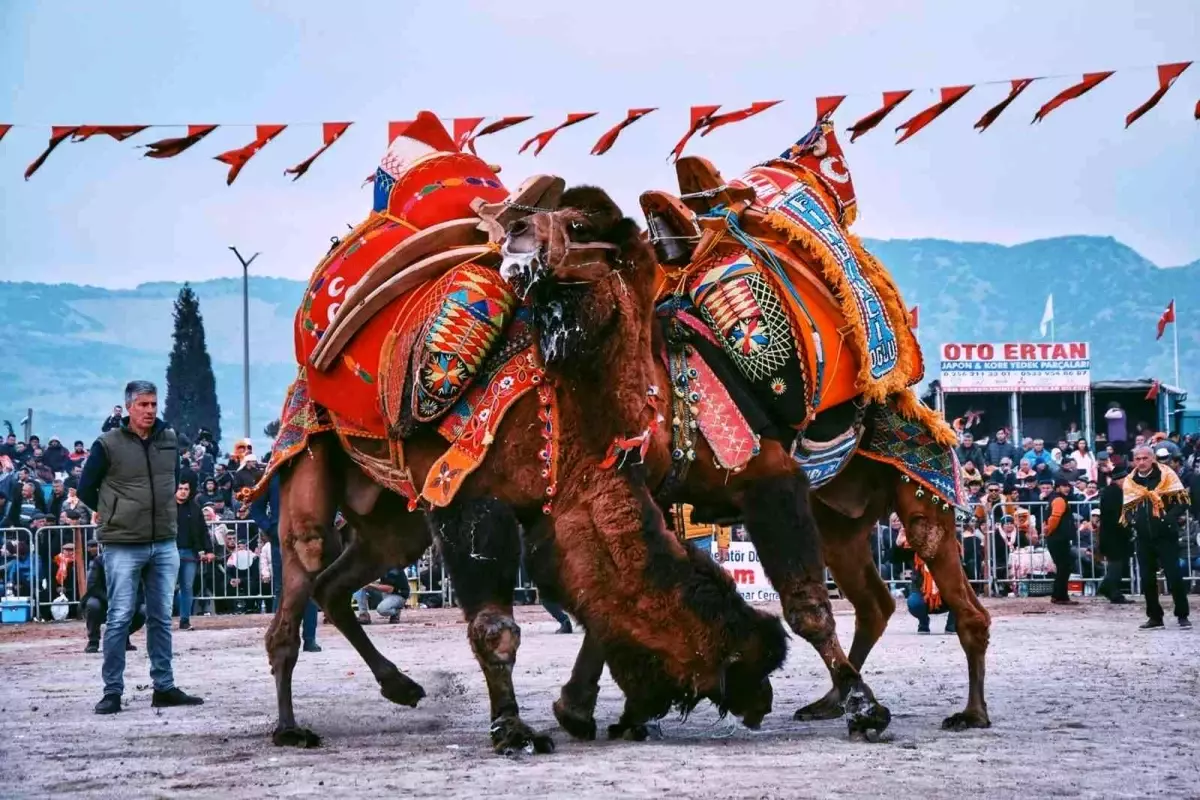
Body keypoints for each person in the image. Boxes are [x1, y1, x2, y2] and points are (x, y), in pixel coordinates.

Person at [78, 380, 204, 714]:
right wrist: (114, 512)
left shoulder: (169, 440)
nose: (150, 410)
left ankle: (163, 686)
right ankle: (112, 691)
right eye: (143, 404)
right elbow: (86, 488)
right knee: (119, 617)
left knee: (162, 618)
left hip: (164, 541)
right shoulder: (107, 444)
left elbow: (174, 479)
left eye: (153, 404)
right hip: (122, 543)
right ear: (129, 407)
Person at [250, 472, 320, 652]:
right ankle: (282, 636)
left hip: (307, 538)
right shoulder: (271, 477)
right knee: (282, 589)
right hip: (280, 540)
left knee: (309, 588)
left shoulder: (308, 474)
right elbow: (256, 509)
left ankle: (309, 637)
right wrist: (271, 529)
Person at [1124, 446, 1191, 630]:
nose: (1141, 462)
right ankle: (1154, 616)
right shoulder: (1131, 481)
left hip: (1165, 535)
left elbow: (1182, 501)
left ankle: (1182, 614)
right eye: (1137, 459)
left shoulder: (1166, 475)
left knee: (1174, 576)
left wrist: (1167, 519)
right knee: (1147, 578)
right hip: (1143, 536)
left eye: (1145, 458)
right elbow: (1127, 506)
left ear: (1152, 458)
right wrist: (1133, 522)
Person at [891, 528, 956, 634]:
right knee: (914, 602)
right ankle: (923, 622)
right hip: (922, 594)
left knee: (959, 596)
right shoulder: (915, 551)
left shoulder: (950, 549)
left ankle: (951, 625)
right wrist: (898, 544)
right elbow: (893, 559)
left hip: (946, 595)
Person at [83, 549, 144, 654]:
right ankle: (93, 641)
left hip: (127, 601)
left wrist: (132, 602)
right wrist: (112, 600)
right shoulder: (99, 561)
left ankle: (123, 638)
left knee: (143, 610)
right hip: (103, 600)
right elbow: (93, 587)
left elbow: (140, 588)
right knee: (93, 605)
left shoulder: (134, 562)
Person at [174, 482, 210, 630]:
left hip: (190, 552)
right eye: (180, 489)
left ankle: (185, 620)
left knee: (187, 587)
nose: (183, 492)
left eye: (186, 489)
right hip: (169, 552)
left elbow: (203, 530)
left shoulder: (195, 508)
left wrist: (208, 550)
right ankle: (160, 620)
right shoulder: (166, 507)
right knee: (165, 588)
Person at [1096, 466, 1133, 604]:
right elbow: (1116, 515)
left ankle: (1110, 590)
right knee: (1116, 564)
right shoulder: (1113, 493)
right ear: (1119, 480)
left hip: (1114, 533)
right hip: (1114, 534)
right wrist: (1126, 528)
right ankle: (1111, 590)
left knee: (1117, 564)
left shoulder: (1112, 491)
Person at [1042, 477, 1079, 606]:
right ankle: (1060, 596)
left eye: (1068, 486)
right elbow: (1054, 518)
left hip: (1056, 538)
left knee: (1063, 567)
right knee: (1064, 567)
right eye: (1064, 486)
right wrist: (1049, 531)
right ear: (1057, 487)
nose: (1067, 488)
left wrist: (1048, 531)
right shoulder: (1059, 499)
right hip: (1058, 538)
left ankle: (1058, 595)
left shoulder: (1054, 498)